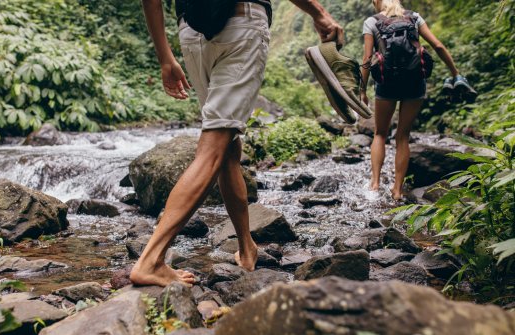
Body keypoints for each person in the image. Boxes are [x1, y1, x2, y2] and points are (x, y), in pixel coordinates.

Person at [130, 0, 344, 287]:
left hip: (191, 30)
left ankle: (246, 247)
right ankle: (151, 260)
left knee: (227, 147)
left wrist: (164, 57)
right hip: (242, 22)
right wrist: (320, 14)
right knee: (213, 147)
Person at [360, 0, 470, 200]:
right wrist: (456, 74)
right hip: (415, 82)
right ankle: (397, 190)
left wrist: (362, 91)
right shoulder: (414, 17)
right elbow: (437, 45)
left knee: (380, 134)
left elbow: (367, 60)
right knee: (403, 136)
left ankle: (375, 185)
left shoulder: (372, 21)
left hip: (387, 83)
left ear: (377, 2)